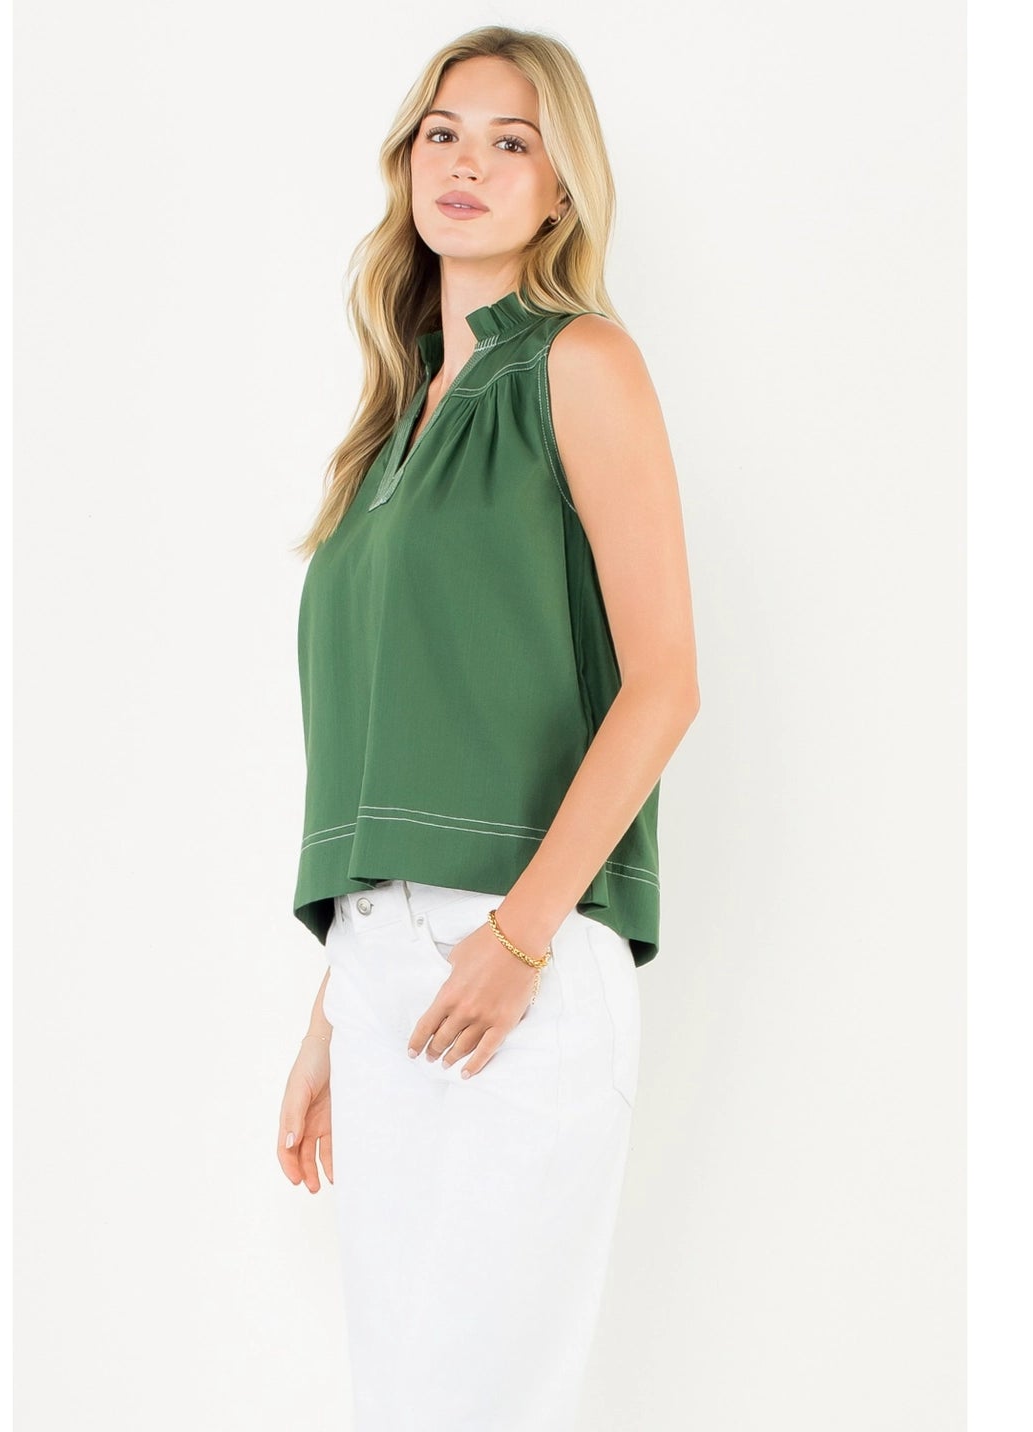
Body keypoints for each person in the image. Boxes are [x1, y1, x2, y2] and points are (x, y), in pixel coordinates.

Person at [275, 25, 699, 1431]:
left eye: (513, 141)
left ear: (561, 188)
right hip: (385, 966)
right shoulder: (386, 433)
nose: (467, 163)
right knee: (405, 1403)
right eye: (443, 132)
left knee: (486, 1403)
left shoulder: (579, 365)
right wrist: (333, 1012)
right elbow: (392, 735)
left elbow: (664, 683)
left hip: (525, 947)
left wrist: (517, 942)